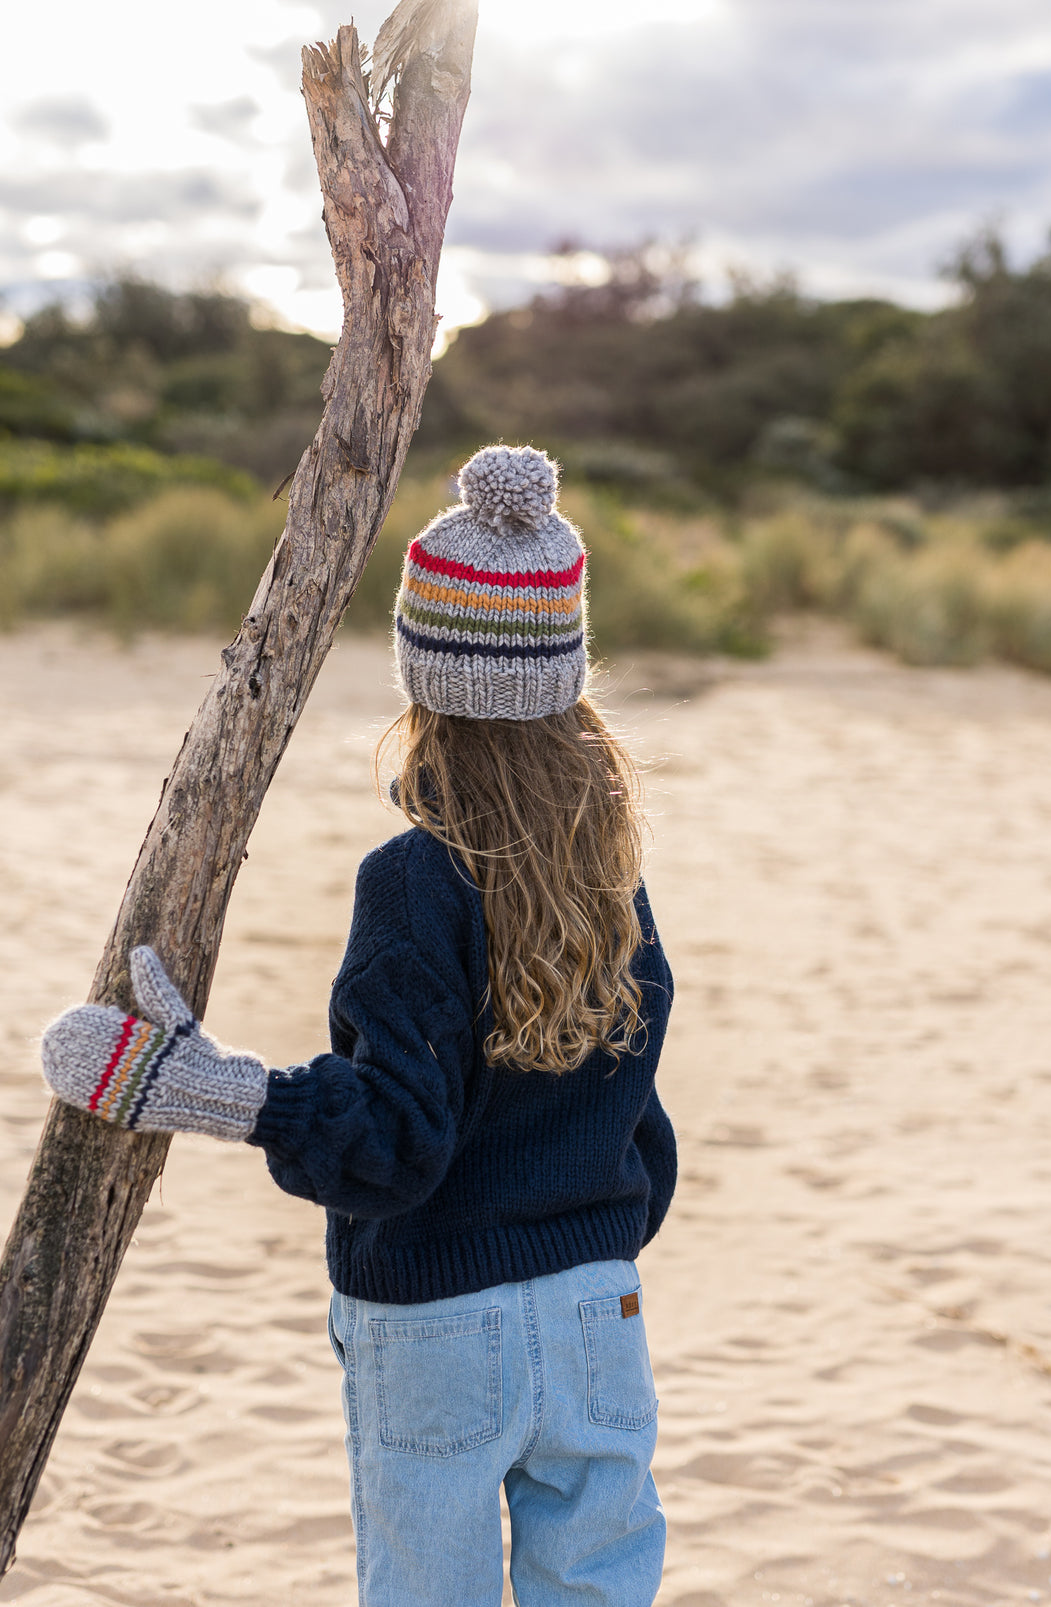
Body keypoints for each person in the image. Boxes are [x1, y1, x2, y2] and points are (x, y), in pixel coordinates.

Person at [42, 443, 678, 1607]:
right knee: (597, 1587)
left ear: (423, 676)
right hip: (600, 1302)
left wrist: (200, 1084)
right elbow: (639, 1118)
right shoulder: (611, 875)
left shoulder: (416, 880)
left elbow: (395, 1142)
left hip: (439, 1313)